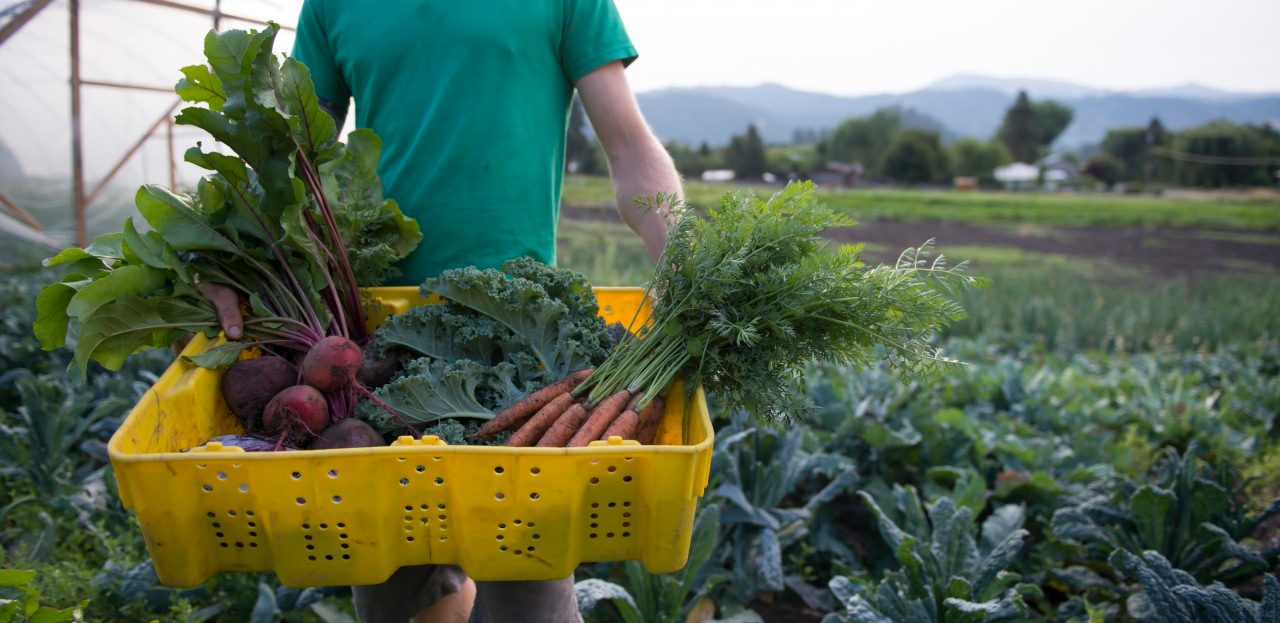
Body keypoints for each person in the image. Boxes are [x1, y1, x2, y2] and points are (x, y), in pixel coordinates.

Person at [199, 0, 682, 621]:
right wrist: (232, 253)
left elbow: (629, 147)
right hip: (371, 345)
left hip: (519, 344)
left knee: (529, 599)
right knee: (392, 596)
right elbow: (286, 158)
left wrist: (680, 255)